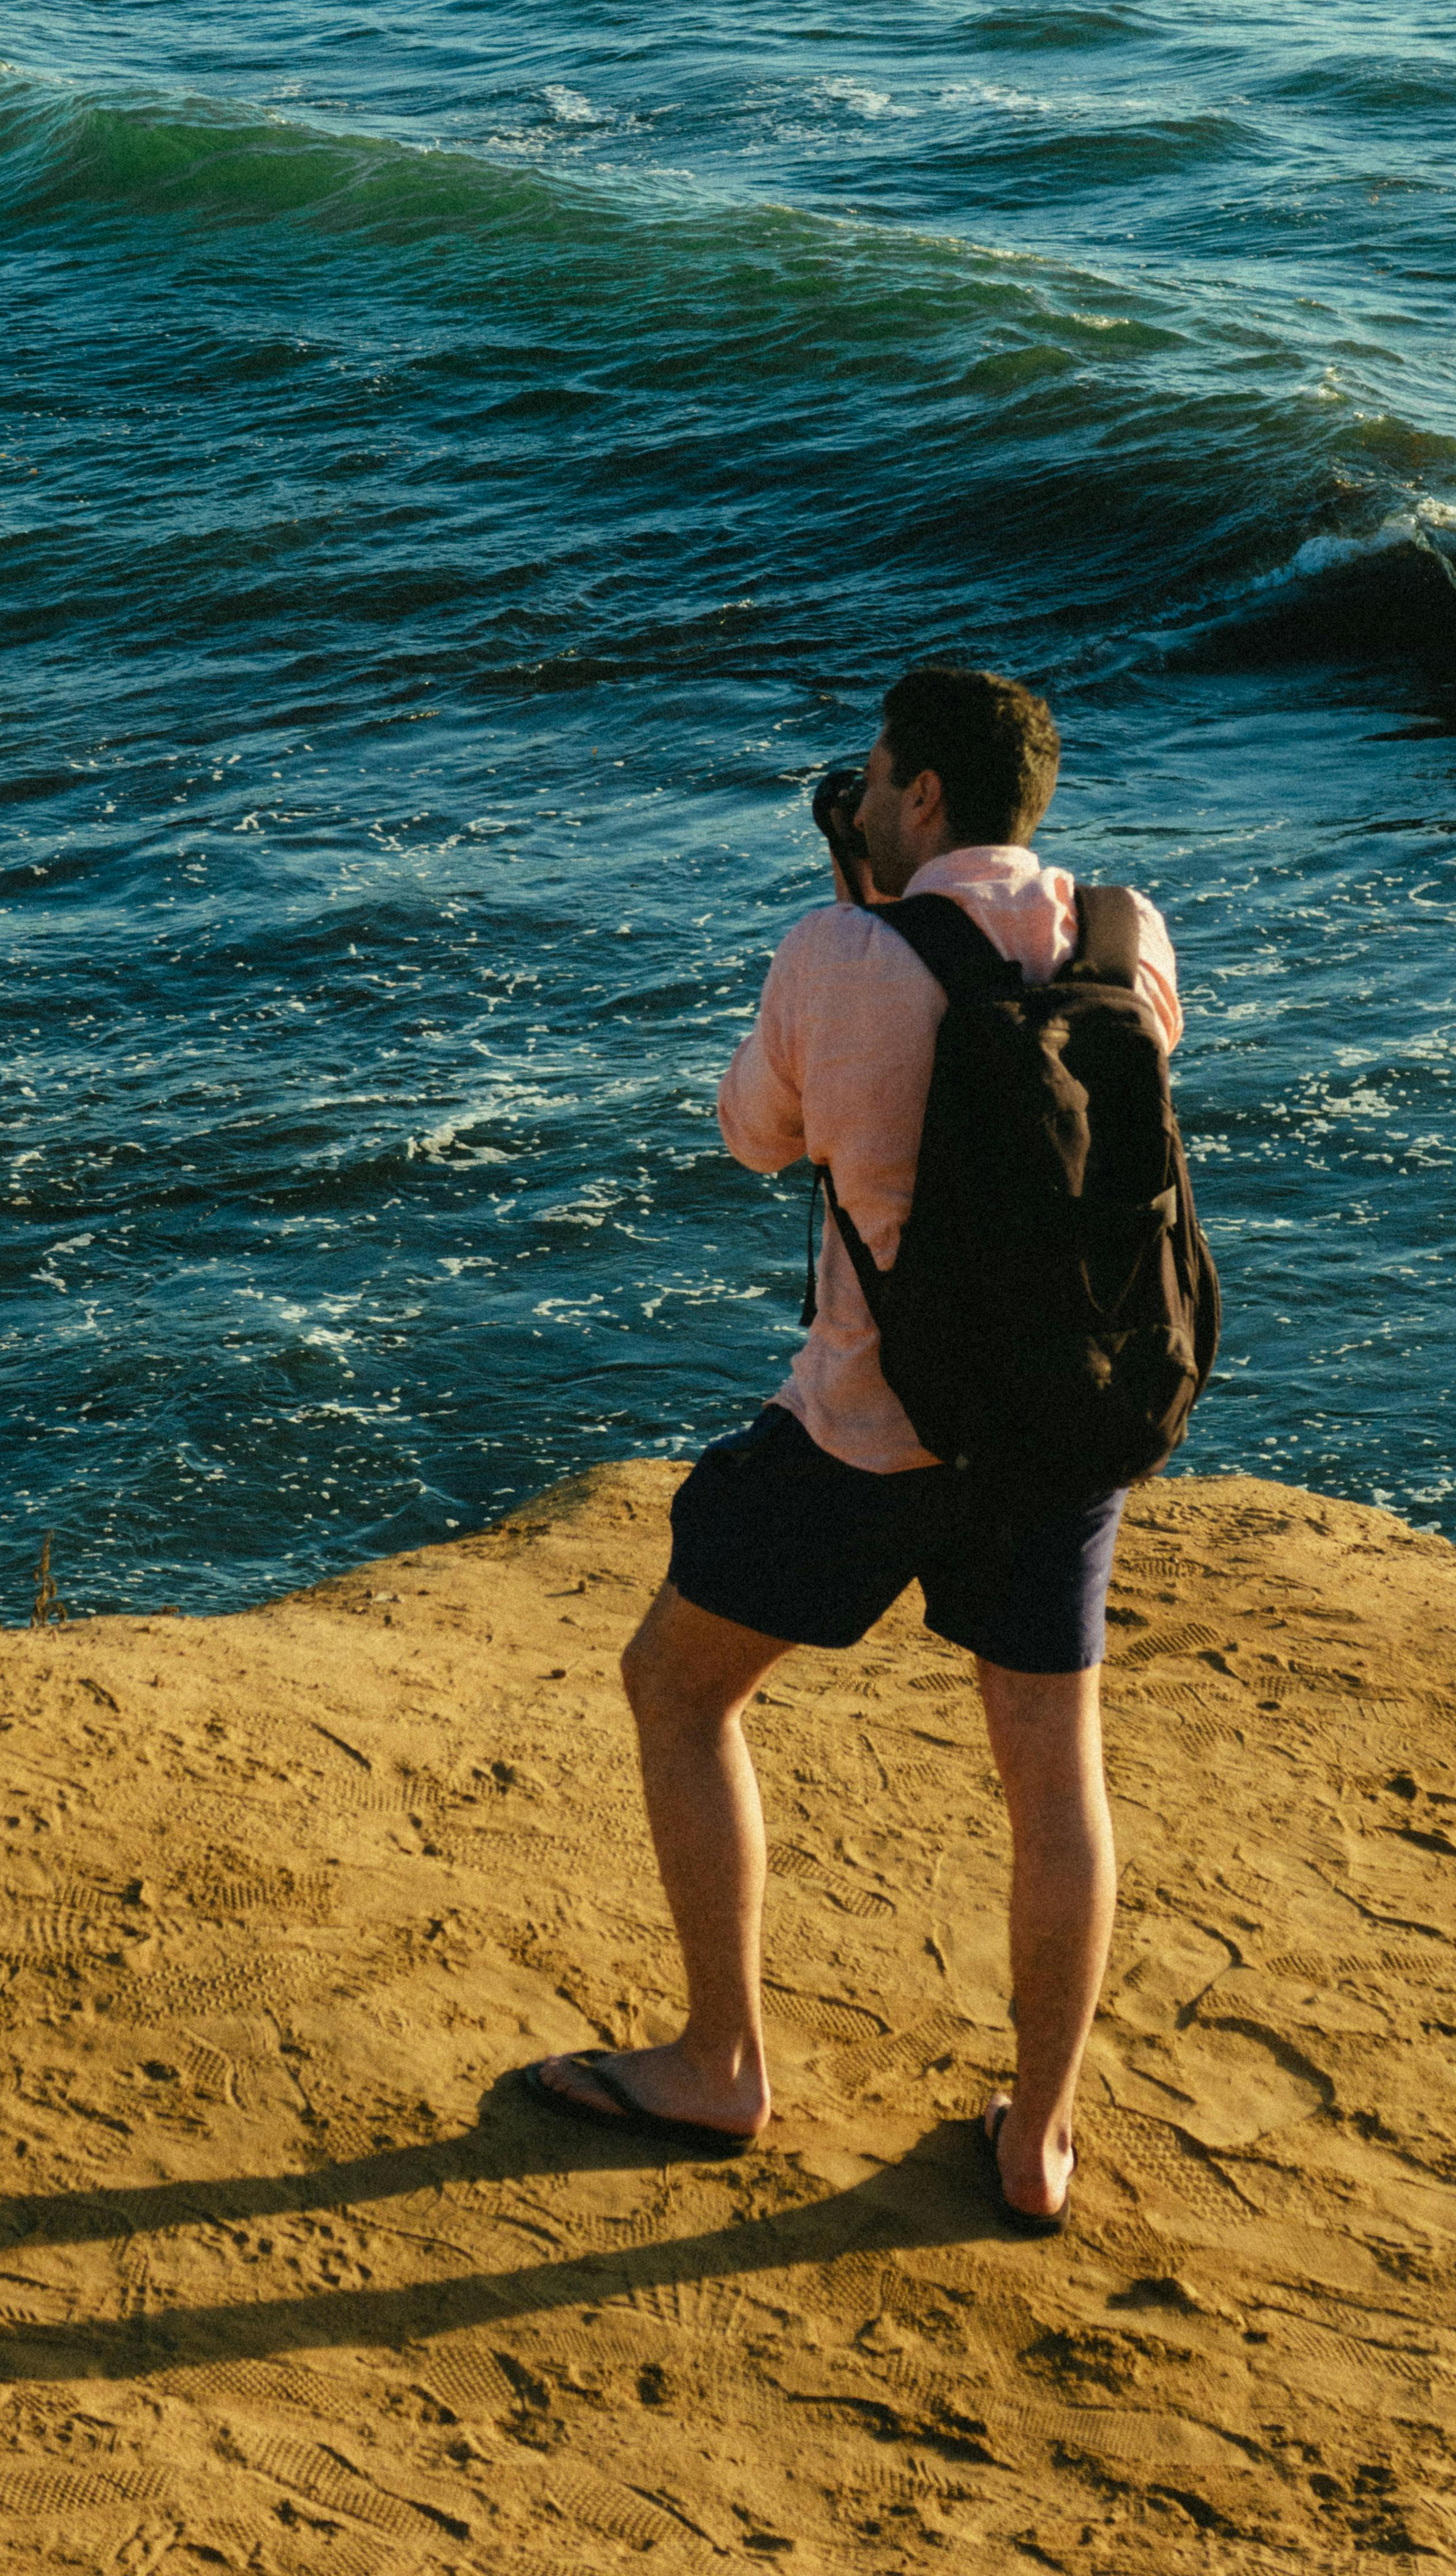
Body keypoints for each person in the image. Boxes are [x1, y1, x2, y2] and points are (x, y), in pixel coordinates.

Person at [523, 667, 1186, 2233]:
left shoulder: (841, 949)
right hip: (1057, 1430)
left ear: (926, 799)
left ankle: (720, 2062)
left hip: (871, 1434)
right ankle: (1039, 2139)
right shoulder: (1126, 936)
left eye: (881, 780)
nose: (870, 800)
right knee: (1052, 1779)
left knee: (676, 1688)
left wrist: (849, 914)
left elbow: (757, 1131)